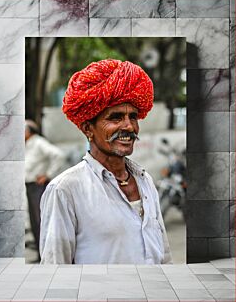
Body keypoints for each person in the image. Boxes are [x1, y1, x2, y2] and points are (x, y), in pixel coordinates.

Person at [40, 59, 172, 264]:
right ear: (87, 129)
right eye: (116, 117)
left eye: (133, 117)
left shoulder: (146, 182)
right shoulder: (65, 190)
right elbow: (54, 270)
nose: (129, 126)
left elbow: (164, 257)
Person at [25, 120, 65, 257]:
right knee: (34, 221)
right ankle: (40, 253)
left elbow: (58, 155)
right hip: (30, 186)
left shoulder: (38, 142)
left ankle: (48, 254)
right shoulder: (27, 145)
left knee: (40, 219)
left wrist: (48, 175)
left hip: (38, 186)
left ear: (28, 131)